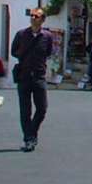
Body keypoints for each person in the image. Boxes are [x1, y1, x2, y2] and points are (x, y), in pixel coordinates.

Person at [11, 8, 55, 152]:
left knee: (42, 109)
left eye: (37, 16)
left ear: (42, 19)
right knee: (25, 110)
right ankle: (29, 139)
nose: (33, 18)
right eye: (32, 16)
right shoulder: (21, 34)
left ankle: (32, 133)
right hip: (23, 76)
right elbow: (13, 51)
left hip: (39, 76)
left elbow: (48, 52)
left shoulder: (47, 36)